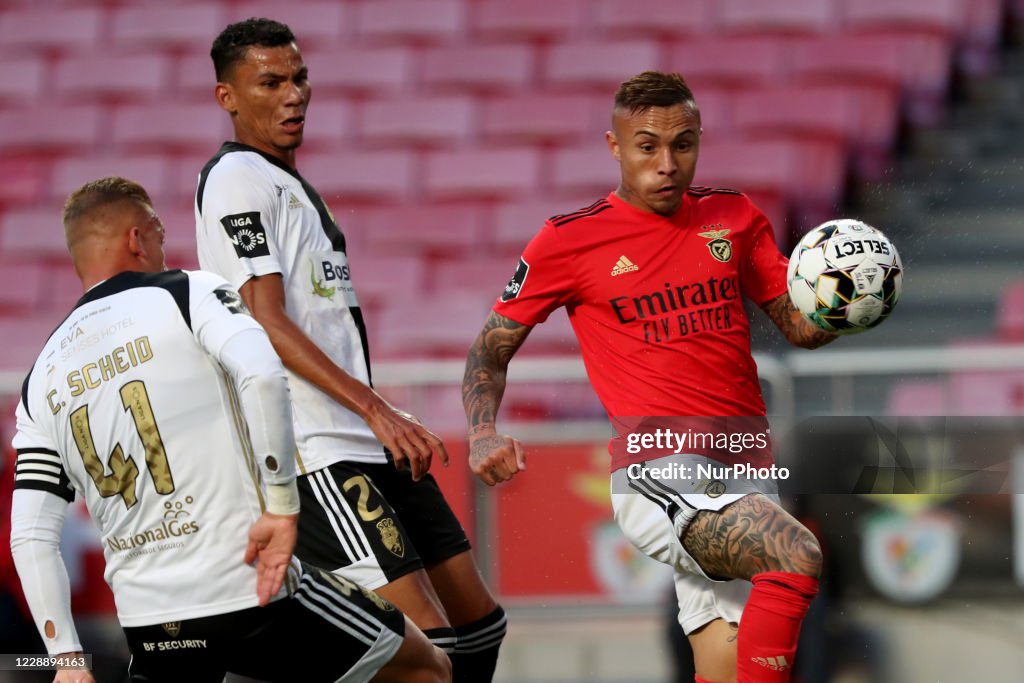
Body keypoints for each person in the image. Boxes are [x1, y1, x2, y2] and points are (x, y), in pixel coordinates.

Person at [462, 71, 837, 683]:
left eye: (683, 145)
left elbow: (797, 327)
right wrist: (482, 431)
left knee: (729, 656)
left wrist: (842, 308)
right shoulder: (568, 240)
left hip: (746, 462)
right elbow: (488, 351)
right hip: (658, 469)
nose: (667, 163)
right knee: (794, 554)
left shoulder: (734, 216)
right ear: (614, 146)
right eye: (647, 147)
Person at [9, 177, 450, 683]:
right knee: (425, 666)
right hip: (246, 587)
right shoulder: (187, 291)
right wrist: (284, 509)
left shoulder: (39, 377)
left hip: (149, 623)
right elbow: (262, 373)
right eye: (159, 232)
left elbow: (31, 534)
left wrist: (65, 658)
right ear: (137, 238)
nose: (164, 246)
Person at [193, 19, 505, 682]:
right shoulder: (235, 180)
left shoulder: (289, 184)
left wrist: (380, 414)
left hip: (364, 439)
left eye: (299, 78)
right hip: (318, 450)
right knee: (426, 657)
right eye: (270, 82)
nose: (293, 94)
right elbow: (263, 318)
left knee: (480, 627)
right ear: (228, 97)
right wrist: (377, 410)